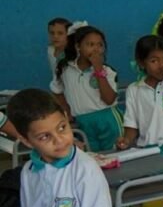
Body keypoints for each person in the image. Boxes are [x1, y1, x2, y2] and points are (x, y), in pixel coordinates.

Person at [50, 23, 122, 151]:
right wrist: (67, 112)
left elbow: (109, 99)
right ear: (78, 46)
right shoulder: (65, 69)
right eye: (90, 45)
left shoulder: (108, 71)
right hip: (82, 122)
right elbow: (56, 91)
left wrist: (98, 70)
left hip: (108, 119)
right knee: (92, 157)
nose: (96, 49)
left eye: (100, 45)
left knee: (115, 155)